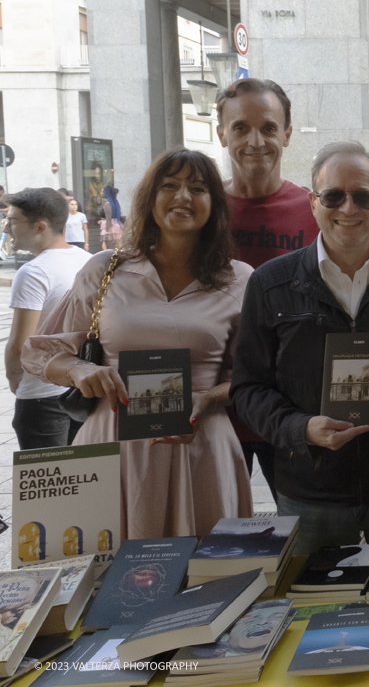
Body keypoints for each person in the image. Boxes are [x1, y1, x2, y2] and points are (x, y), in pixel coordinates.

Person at [23, 149, 253, 538]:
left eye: (197, 188)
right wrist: (81, 369)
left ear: (214, 206)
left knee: (207, 580)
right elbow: (39, 352)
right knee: (107, 577)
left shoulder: (240, 279)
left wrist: (209, 399)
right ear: (150, 197)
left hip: (200, 445)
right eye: (169, 186)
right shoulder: (105, 268)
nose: (182, 197)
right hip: (112, 444)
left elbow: (253, 375)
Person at [231, 141, 369, 555]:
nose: (348, 209)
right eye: (334, 196)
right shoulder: (270, 284)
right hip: (309, 494)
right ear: (312, 202)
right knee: (313, 610)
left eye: (362, 196)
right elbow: (247, 389)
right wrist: (301, 429)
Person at [217, 78, 321, 499]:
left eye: (269, 128)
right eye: (240, 127)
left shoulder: (317, 211)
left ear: (288, 135)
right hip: (214, 411)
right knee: (218, 541)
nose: (255, 141)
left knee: (307, 537)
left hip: (293, 409)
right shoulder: (198, 213)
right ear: (221, 133)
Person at [5, 189, 92, 449]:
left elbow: (21, 345)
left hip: (41, 394)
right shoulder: (89, 261)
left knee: (47, 482)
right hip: (82, 388)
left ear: (40, 226)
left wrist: (13, 377)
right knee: (83, 480)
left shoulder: (33, 272)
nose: (7, 227)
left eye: (13, 221)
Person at [99, 184, 122, 250]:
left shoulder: (107, 204)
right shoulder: (115, 203)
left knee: (106, 247)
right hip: (116, 225)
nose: (101, 193)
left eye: (102, 191)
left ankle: (111, 259)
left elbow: (109, 219)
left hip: (110, 227)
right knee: (115, 247)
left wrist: (106, 232)